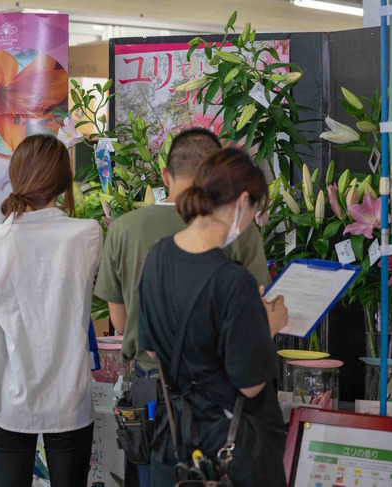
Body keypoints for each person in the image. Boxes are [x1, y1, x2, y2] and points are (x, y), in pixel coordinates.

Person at [93, 128, 271, 486]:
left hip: (149, 387)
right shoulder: (237, 228)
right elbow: (256, 311)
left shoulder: (125, 228)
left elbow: (119, 319)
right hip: (218, 394)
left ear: (165, 176)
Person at [139, 148, 288, 487]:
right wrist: (268, 326)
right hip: (229, 454)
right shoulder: (234, 281)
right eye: (255, 209)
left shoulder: (156, 257)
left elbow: (151, 350)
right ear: (243, 201)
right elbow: (249, 386)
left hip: (174, 444)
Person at [0, 134, 102, 487]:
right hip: (69, 394)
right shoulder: (87, 234)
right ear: (63, 180)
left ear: (15, 177)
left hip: (7, 392)